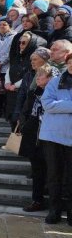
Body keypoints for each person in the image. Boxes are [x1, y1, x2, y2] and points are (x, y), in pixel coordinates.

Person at [38, 52, 72, 224]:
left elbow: (54, 105)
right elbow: (47, 104)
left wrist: (61, 106)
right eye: (70, 62)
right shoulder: (55, 81)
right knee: (54, 175)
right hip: (53, 135)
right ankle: (54, 210)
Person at [19, 64, 55, 212]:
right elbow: (26, 110)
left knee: (53, 172)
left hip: (51, 137)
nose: (37, 78)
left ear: (50, 78)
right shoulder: (33, 92)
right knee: (37, 171)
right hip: (34, 137)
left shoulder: (54, 94)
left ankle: (55, 204)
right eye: (37, 75)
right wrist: (24, 124)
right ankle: (37, 200)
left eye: (41, 75)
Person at [6, 31, 43, 128]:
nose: (20, 45)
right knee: (13, 123)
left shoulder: (34, 57)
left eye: (24, 43)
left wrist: (15, 85)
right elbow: (10, 69)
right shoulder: (18, 56)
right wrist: (7, 82)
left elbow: (30, 75)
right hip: (12, 94)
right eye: (20, 43)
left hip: (22, 95)